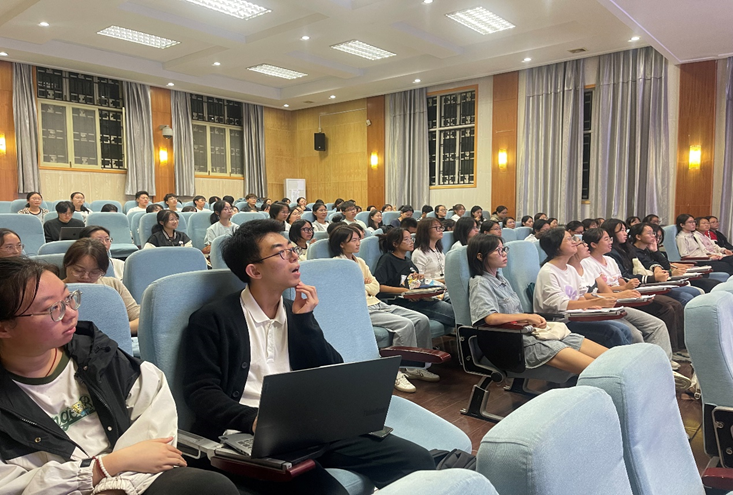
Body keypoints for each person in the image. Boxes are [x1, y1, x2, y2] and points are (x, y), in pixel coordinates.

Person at [182, 220, 434, 491]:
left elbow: (332, 368)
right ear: (254, 270)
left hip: (309, 424)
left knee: (416, 461)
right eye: (281, 253)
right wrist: (253, 420)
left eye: (292, 249)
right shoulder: (212, 319)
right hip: (249, 433)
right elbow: (201, 392)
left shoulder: (296, 311)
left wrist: (305, 323)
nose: (294, 257)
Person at [0, 256, 238, 495]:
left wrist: (114, 486)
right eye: (53, 309)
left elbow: (152, 442)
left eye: (69, 298)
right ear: (3, 327)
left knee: (212, 487)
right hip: (65, 489)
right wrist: (103, 467)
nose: (71, 313)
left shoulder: (97, 353)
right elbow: (12, 485)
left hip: (136, 482)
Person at [468, 233, 607, 374]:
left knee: (606, 356)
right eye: (498, 250)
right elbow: (491, 318)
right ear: (480, 256)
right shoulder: (480, 283)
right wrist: (527, 317)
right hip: (516, 343)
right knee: (599, 370)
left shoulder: (501, 280)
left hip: (531, 333)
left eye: (503, 249)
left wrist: (528, 320)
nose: (504, 254)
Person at [330, 225, 435, 392]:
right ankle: (397, 371)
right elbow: (347, 291)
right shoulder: (337, 265)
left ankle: (418, 367)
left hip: (377, 302)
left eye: (358, 239)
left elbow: (376, 286)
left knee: (422, 320)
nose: (358, 243)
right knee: (405, 325)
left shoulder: (360, 262)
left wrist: (364, 285)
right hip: (361, 308)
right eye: (354, 240)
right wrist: (364, 285)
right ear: (342, 244)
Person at [565, 230, 680, 370]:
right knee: (634, 334)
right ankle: (645, 369)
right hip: (591, 310)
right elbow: (584, 296)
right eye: (580, 243)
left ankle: (663, 364)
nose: (585, 245)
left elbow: (604, 288)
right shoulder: (571, 269)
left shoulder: (588, 265)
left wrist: (620, 294)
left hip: (608, 304)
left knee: (657, 325)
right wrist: (618, 295)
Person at [588, 225, 688, 356]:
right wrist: (624, 290)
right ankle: (657, 359)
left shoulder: (610, 259)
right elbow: (599, 291)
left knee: (659, 321)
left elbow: (621, 280)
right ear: (593, 244)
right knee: (640, 329)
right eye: (606, 239)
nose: (610, 242)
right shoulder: (588, 263)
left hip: (623, 294)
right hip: (611, 300)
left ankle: (667, 358)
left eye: (610, 239)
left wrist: (627, 287)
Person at [532, 228, 634, 349]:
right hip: (560, 322)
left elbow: (579, 295)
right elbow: (559, 304)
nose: (574, 242)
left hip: (577, 317)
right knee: (612, 332)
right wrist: (593, 302)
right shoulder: (548, 272)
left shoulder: (570, 269)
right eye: (569, 239)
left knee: (624, 329)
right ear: (557, 246)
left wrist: (591, 306)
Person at [374, 228, 455, 328]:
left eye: (411, 239)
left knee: (455, 306)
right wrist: (405, 291)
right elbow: (379, 286)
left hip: (419, 298)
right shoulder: (387, 259)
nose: (411, 242)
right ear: (395, 244)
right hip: (402, 302)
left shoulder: (407, 261)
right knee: (453, 313)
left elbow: (410, 281)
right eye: (406, 239)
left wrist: (418, 279)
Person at [62, 238, 140, 335]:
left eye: (94, 272)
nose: (85, 277)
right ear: (66, 265)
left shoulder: (112, 285)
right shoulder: (54, 289)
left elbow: (140, 320)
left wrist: (113, 330)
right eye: (78, 270)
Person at [631, 223, 719, 294]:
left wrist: (655, 251)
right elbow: (652, 268)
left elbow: (666, 266)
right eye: (650, 234)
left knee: (711, 283)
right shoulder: (633, 252)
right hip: (652, 283)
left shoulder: (650, 250)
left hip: (664, 280)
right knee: (692, 293)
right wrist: (670, 272)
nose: (654, 237)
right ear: (638, 237)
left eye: (655, 235)